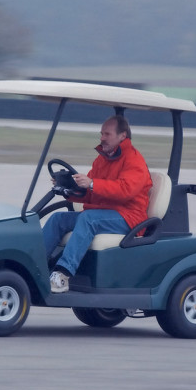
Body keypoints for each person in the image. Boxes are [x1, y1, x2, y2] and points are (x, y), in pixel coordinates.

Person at [43, 114, 152, 293]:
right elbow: (92, 193)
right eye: (101, 133)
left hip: (129, 218)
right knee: (58, 219)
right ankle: (34, 265)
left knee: (88, 219)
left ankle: (62, 275)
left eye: (107, 134)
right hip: (104, 213)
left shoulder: (134, 161)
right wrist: (69, 188)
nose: (102, 138)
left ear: (122, 136)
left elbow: (125, 191)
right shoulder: (103, 159)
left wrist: (92, 183)